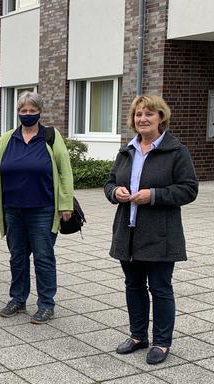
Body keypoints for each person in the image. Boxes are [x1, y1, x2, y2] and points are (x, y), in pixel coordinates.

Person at [0, 91, 73, 324]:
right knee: (17, 257)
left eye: (32, 110)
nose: (27, 114)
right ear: (17, 113)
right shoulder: (8, 138)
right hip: (13, 209)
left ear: (39, 112)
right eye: (23, 111)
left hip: (43, 209)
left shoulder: (50, 136)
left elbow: (64, 171)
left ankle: (46, 304)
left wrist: (66, 203)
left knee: (43, 257)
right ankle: (17, 299)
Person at [105, 95, 197, 365]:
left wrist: (154, 195)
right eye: (138, 114)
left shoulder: (176, 151)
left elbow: (189, 189)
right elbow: (110, 183)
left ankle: (161, 342)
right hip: (128, 231)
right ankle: (137, 336)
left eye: (149, 114)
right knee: (133, 285)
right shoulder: (127, 150)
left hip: (160, 234)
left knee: (160, 287)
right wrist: (115, 192)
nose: (142, 119)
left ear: (161, 118)